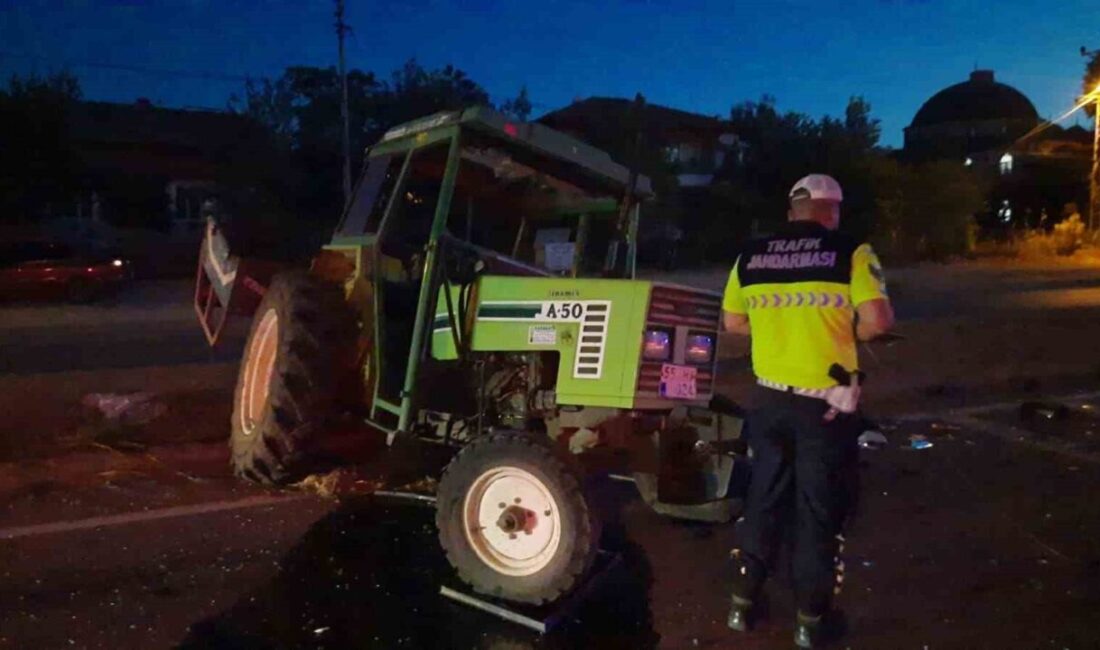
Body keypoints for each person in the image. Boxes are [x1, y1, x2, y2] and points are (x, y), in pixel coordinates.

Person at [722, 174, 894, 648]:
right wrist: (844, 330)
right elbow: (878, 323)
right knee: (817, 510)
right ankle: (810, 622)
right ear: (831, 210)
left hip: (769, 399)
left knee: (763, 497)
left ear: (792, 209)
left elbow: (733, 322)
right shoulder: (851, 251)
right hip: (826, 405)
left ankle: (741, 603)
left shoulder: (750, 256)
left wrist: (780, 329)